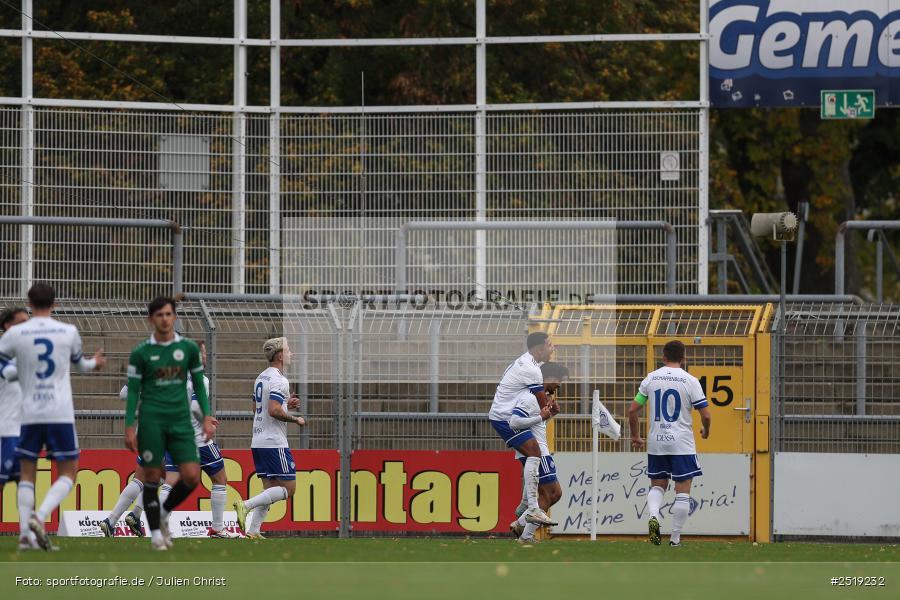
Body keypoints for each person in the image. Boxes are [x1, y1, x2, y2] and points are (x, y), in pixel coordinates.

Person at [0, 283, 106, 551]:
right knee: (69, 471)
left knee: (27, 473)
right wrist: (95, 363)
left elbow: (4, 364)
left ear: (29, 302)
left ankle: (25, 535)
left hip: (29, 413)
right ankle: (39, 516)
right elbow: (82, 366)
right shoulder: (68, 331)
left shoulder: (17, 333)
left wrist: (16, 371)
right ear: (55, 303)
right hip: (59, 411)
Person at [102, 340, 239, 539]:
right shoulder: (199, 380)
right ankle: (170, 523)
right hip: (193, 437)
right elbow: (193, 408)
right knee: (211, 479)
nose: (205, 356)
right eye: (202, 353)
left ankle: (118, 519)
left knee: (149, 478)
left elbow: (124, 393)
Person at [124, 296, 214, 550]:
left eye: (168, 314)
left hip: (181, 422)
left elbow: (199, 385)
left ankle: (162, 513)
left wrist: (206, 416)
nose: (164, 319)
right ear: (151, 319)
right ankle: (155, 534)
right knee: (151, 477)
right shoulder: (141, 353)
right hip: (152, 422)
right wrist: (130, 425)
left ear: (174, 317)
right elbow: (132, 392)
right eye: (159, 315)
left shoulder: (188, 349)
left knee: (191, 476)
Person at [628, 340, 710, 547]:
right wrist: (706, 430)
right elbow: (706, 415)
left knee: (658, 486)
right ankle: (675, 539)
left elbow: (632, 410)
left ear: (663, 357)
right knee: (683, 490)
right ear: (684, 358)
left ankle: (654, 516)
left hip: (657, 443)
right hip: (681, 443)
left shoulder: (651, 378)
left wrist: (636, 436)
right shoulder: (690, 381)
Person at [234, 337, 303, 539]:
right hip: (274, 442)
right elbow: (273, 411)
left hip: (258, 441)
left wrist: (285, 403)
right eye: (289, 350)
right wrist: (294, 418)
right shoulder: (280, 380)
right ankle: (245, 505)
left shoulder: (261, 377)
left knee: (270, 489)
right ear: (280, 355)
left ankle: (254, 531)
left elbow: (258, 408)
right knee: (289, 489)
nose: (291, 354)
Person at [489, 331, 558, 527]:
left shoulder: (529, 363)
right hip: (504, 418)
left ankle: (527, 504)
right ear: (539, 348)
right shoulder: (532, 370)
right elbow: (541, 403)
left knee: (532, 453)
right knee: (535, 451)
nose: (552, 348)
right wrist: (549, 410)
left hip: (505, 414)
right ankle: (532, 508)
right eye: (549, 344)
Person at [508, 362, 568, 544]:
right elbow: (515, 422)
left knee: (551, 495)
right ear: (548, 378)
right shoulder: (530, 398)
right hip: (536, 452)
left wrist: (550, 415)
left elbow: (536, 426)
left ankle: (522, 529)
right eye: (558, 380)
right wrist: (542, 416)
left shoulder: (539, 398)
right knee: (553, 494)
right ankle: (523, 531)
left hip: (539, 451)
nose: (559, 385)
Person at [0, 307, 34, 550]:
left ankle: (25, 535)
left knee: (26, 480)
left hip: (23, 429)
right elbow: (11, 374)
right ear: (8, 327)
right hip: (6, 429)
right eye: (22, 323)